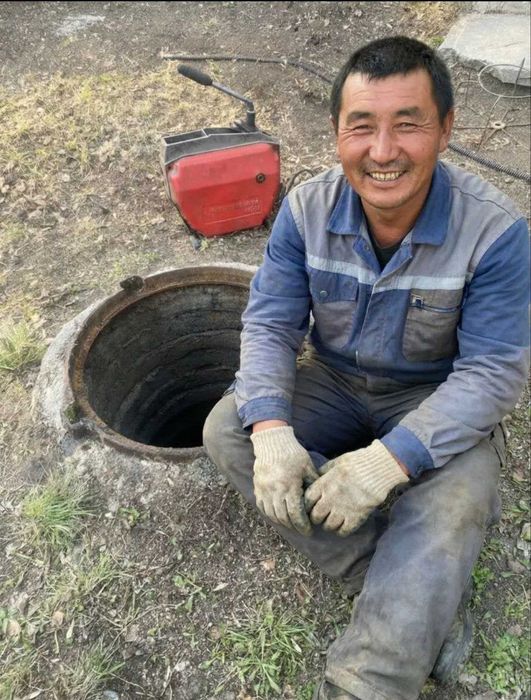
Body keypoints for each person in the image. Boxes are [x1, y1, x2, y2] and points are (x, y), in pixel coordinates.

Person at [203, 35, 530, 700]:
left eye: (407, 124)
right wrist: (271, 428)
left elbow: (492, 372)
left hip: (433, 395)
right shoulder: (304, 210)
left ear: (445, 129)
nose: (382, 152)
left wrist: (390, 461)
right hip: (333, 381)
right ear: (336, 134)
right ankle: (399, 581)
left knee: (459, 500)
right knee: (228, 429)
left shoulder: (496, 232)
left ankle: (367, 682)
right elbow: (270, 322)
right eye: (361, 126)